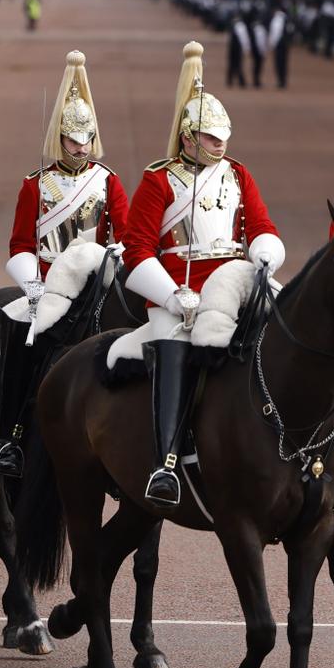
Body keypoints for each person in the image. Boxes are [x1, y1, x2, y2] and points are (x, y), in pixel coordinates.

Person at [121, 40, 283, 506]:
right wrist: (172, 297)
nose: (221, 145)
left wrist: (266, 254)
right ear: (189, 137)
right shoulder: (159, 178)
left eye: (223, 136)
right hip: (181, 288)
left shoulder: (237, 173)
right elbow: (137, 250)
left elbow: (261, 227)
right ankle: (166, 463)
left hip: (236, 279)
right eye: (211, 138)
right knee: (173, 347)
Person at [0, 51, 131, 478]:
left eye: (87, 139)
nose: (82, 147)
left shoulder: (108, 181)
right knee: (21, 338)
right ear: (60, 140)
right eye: (74, 140)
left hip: (97, 281)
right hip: (49, 285)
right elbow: (19, 243)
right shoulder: (36, 185)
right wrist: (32, 284)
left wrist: (115, 263)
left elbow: (124, 236)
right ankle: (10, 436)